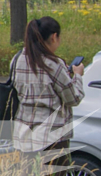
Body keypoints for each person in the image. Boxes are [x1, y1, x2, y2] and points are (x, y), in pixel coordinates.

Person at [11, 16, 84, 155]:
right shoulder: (53, 64)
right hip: (52, 138)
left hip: (23, 135)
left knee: (28, 170)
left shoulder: (17, 60)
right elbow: (73, 99)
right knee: (53, 170)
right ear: (54, 37)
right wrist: (77, 76)